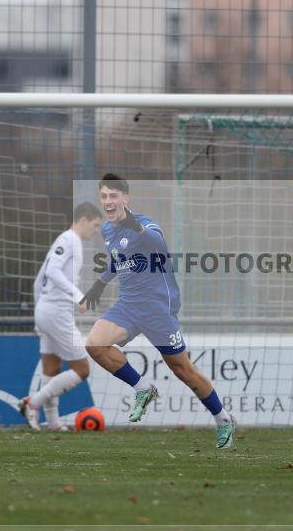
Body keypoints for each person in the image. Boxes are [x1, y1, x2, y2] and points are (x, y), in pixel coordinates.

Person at [81, 173, 236, 449]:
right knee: (95, 344)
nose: (108, 201)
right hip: (128, 305)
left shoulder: (143, 224)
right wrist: (100, 284)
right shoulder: (107, 229)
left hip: (156, 307)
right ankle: (143, 388)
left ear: (125, 199)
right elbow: (119, 259)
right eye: (104, 196)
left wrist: (136, 227)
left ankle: (223, 419)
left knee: (182, 369)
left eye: (113, 195)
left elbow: (157, 243)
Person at [19, 203, 103, 431]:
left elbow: (39, 280)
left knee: (52, 368)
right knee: (83, 369)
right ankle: (31, 403)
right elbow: (52, 271)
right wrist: (78, 296)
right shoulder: (70, 240)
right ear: (83, 220)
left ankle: (53, 422)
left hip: (45, 310)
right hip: (57, 312)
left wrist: (39, 315)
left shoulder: (65, 240)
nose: (95, 231)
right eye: (95, 225)